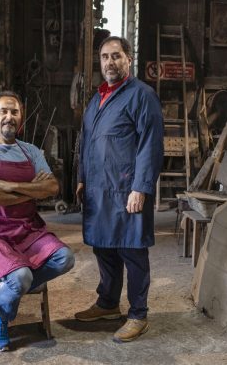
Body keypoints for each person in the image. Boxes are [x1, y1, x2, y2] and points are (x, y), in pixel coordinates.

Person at [0, 91, 75, 352]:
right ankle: (0, 316)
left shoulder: (31, 152)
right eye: (4, 111)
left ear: (21, 118)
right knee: (21, 277)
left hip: (25, 229)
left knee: (65, 258)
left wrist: (11, 186)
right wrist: (29, 191)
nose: (9, 117)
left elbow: (52, 188)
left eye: (15, 112)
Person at [74, 36, 164, 343]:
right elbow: (86, 141)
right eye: (104, 57)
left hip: (126, 190)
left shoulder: (142, 95)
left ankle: (138, 314)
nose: (109, 63)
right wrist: (82, 177)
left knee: (131, 249)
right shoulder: (97, 97)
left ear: (128, 59)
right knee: (104, 247)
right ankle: (108, 303)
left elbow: (150, 146)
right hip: (99, 189)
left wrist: (141, 188)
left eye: (116, 56)